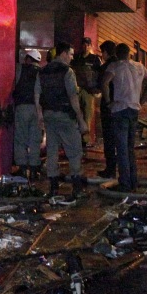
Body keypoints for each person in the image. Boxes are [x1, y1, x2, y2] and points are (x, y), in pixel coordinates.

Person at [100, 43, 147, 191]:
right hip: (134, 110)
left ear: (117, 54)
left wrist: (108, 102)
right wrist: (141, 101)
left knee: (122, 148)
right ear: (129, 54)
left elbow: (104, 83)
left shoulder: (114, 67)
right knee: (130, 148)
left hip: (120, 109)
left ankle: (125, 183)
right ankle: (133, 180)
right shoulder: (140, 66)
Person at [39, 41, 88, 197]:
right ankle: (77, 187)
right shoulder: (68, 72)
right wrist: (81, 119)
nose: (72, 58)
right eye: (71, 54)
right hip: (65, 116)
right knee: (74, 151)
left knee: (52, 150)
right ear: (63, 54)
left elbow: (36, 95)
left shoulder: (43, 71)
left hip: (48, 115)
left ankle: (53, 187)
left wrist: (40, 116)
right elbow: (73, 97)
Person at [10, 50, 43, 179]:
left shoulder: (20, 69)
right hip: (38, 109)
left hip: (22, 107)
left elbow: (12, 86)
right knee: (35, 140)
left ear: (28, 59)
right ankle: (34, 170)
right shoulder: (42, 72)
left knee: (20, 139)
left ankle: (22, 169)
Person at [72, 38, 102, 146]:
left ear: (90, 46)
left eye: (87, 45)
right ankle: (76, 139)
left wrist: (97, 89)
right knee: (76, 114)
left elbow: (100, 75)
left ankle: (84, 140)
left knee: (87, 115)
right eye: (83, 44)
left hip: (89, 91)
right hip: (78, 90)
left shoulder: (95, 59)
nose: (85, 47)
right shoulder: (76, 58)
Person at [96, 40, 118, 178]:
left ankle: (110, 169)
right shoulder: (123, 65)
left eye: (102, 52)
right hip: (123, 106)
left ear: (105, 52)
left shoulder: (106, 67)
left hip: (108, 106)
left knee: (109, 139)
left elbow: (101, 84)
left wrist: (108, 101)